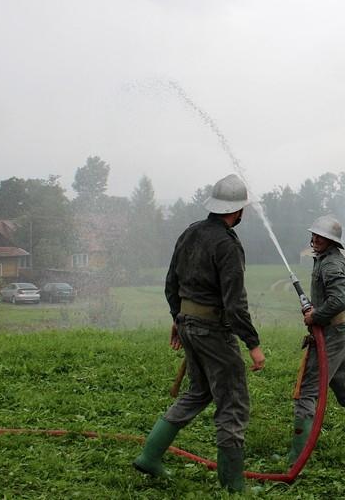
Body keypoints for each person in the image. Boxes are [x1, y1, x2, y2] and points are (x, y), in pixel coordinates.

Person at [133, 173, 266, 493]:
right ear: (238, 210)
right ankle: (234, 485)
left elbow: (171, 283)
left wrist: (178, 318)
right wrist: (253, 344)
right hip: (212, 331)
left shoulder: (190, 232)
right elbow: (235, 303)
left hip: (188, 324)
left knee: (198, 392)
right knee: (232, 401)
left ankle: (149, 456)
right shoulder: (228, 245)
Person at [288, 215, 345, 464]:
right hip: (339, 329)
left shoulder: (331, 264)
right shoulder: (326, 258)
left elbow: (339, 300)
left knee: (307, 390)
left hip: (332, 332)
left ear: (332, 241)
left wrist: (315, 316)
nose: (315, 239)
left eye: (321, 236)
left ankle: (296, 457)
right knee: (342, 381)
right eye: (314, 234)